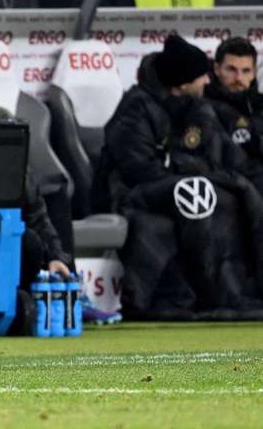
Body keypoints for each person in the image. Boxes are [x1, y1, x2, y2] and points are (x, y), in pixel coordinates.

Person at [99, 35, 263, 319]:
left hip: (173, 183)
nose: (207, 82)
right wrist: (190, 168)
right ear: (182, 82)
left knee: (235, 192)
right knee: (198, 194)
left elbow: (228, 156)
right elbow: (139, 169)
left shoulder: (197, 107)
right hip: (131, 192)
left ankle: (243, 290)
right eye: (201, 76)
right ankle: (217, 295)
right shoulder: (136, 107)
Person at [205, 37, 263, 194]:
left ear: (254, 73)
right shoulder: (201, 106)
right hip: (226, 193)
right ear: (217, 69)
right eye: (231, 69)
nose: (239, 78)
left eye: (246, 71)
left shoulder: (259, 105)